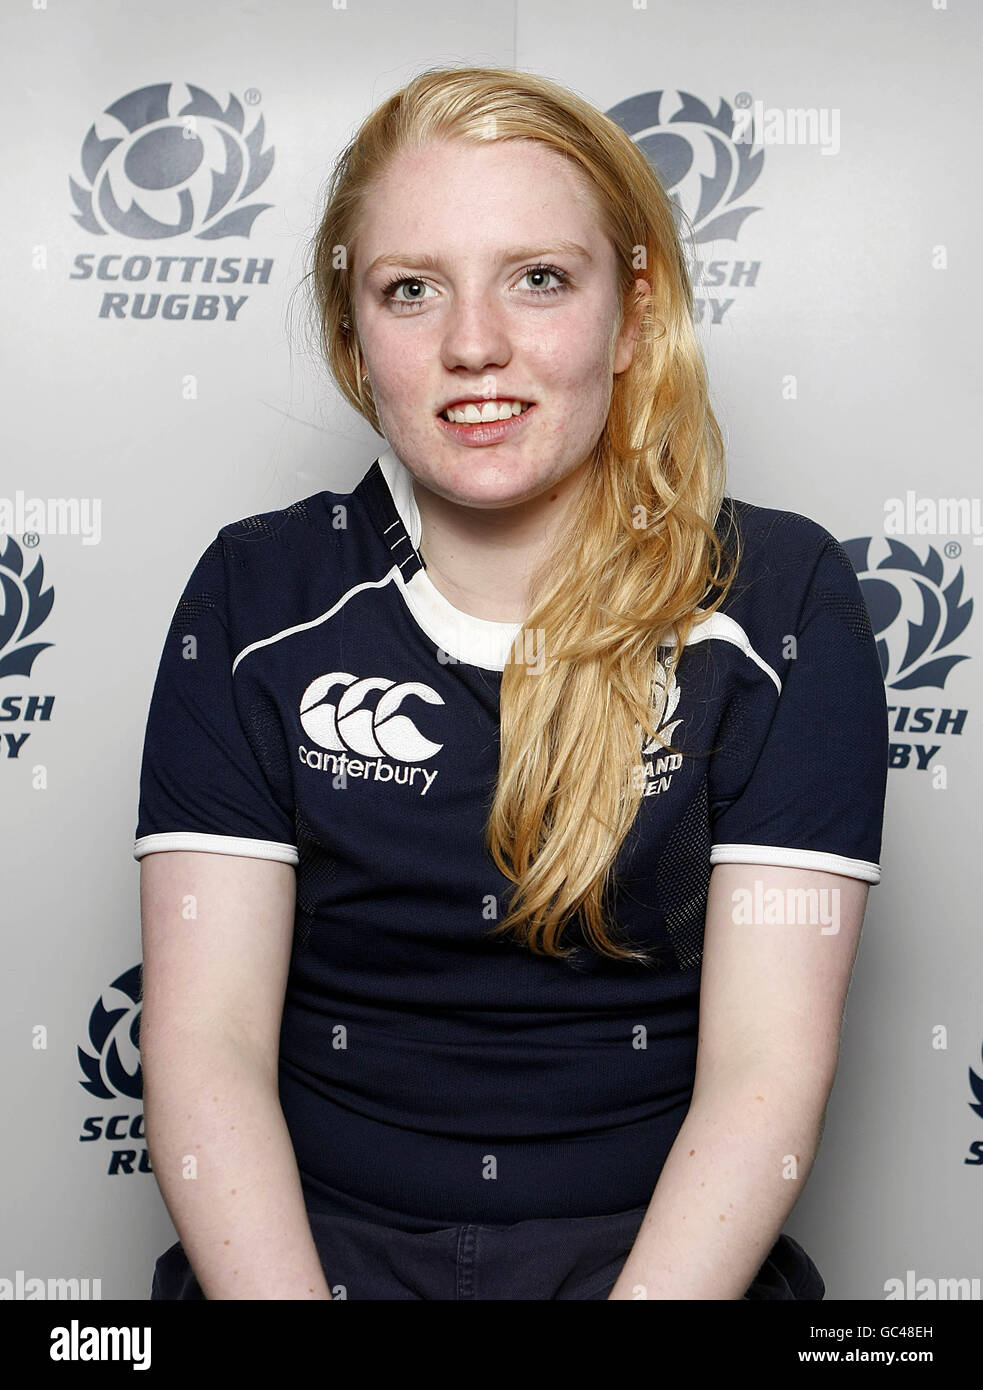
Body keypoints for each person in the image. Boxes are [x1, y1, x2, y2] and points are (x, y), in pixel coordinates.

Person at [135, 65, 889, 1301]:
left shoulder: (778, 598)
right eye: (409, 289)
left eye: (538, 278)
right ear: (352, 331)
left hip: (660, 1265)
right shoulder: (254, 595)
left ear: (632, 311)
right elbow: (203, 1048)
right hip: (304, 1258)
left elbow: (765, 1071)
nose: (473, 344)